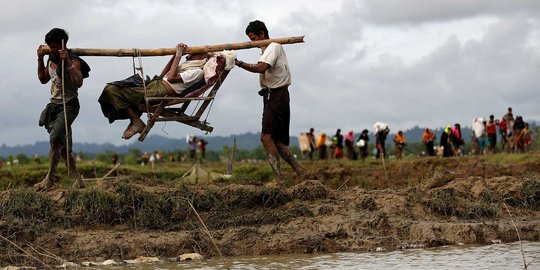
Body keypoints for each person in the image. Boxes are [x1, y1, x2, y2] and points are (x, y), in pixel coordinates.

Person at [234, 20, 309, 182]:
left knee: (266, 137)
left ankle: (278, 180)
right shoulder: (265, 50)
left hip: (276, 96)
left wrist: (239, 63)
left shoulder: (273, 46)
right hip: (274, 96)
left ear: (262, 34)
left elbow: (261, 68)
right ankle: (301, 171)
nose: (252, 43)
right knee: (276, 140)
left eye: (253, 38)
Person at [99, 43, 209, 140]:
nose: (188, 55)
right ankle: (135, 120)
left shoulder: (197, 72)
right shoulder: (187, 66)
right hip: (156, 85)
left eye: (193, 53)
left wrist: (178, 55)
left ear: (202, 56)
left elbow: (170, 78)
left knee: (111, 90)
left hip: (161, 91)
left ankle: (136, 121)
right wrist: (174, 56)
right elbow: (163, 75)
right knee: (112, 89)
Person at [35, 28, 90, 191]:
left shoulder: (73, 61)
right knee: (63, 147)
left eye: (54, 46)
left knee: (54, 138)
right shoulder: (50, 59)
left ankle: (49, 179)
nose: (51, 50)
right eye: (49, 46)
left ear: (62, 45)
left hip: (69, 106)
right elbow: (43, 79)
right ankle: (79, 181)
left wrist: (68, 65)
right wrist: (39, 59)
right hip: (54, 106)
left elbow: (78, 82)